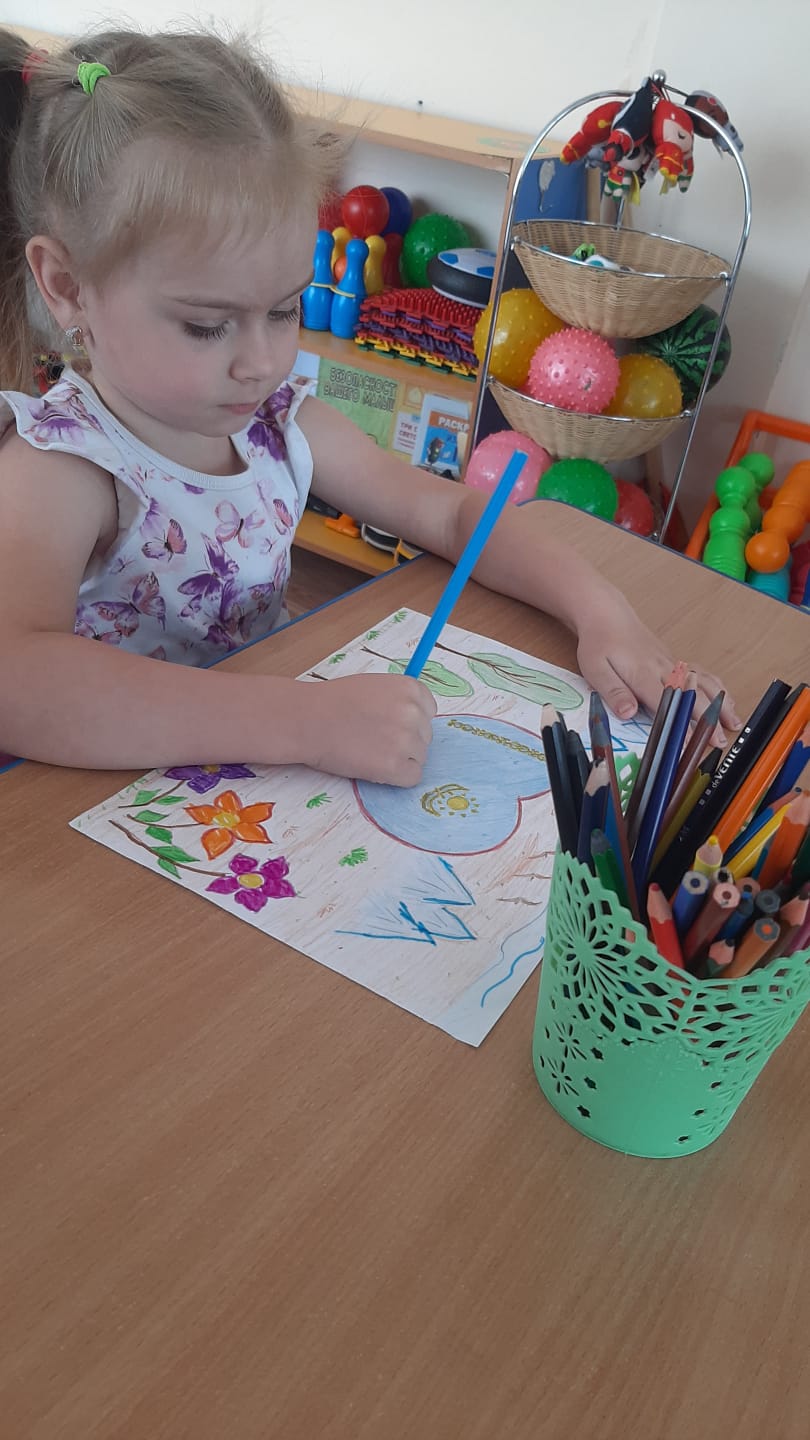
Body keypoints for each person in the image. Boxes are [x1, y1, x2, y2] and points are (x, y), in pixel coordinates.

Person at [0, 28, 738, 786]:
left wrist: (601, 611)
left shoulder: (275, 424)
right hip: (90, 816)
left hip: (261, 791)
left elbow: (455, 516)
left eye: (284, 310)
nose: (262, 362)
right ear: (67, 286)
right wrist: (300, 721)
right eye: (207, 325)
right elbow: (17, 683)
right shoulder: (60, 467)